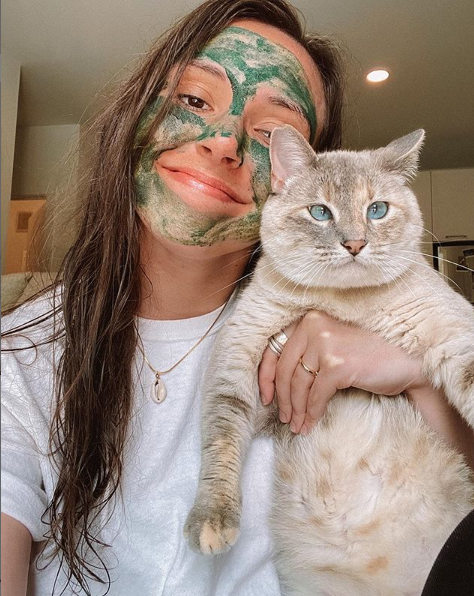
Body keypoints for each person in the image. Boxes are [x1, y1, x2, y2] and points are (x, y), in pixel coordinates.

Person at [2, 1, 473, 595]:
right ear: (137, 116)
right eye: (195, 101)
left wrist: (417, 373)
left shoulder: (343, 314)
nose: (224, 143)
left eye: (270, 133)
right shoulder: (23, 357)